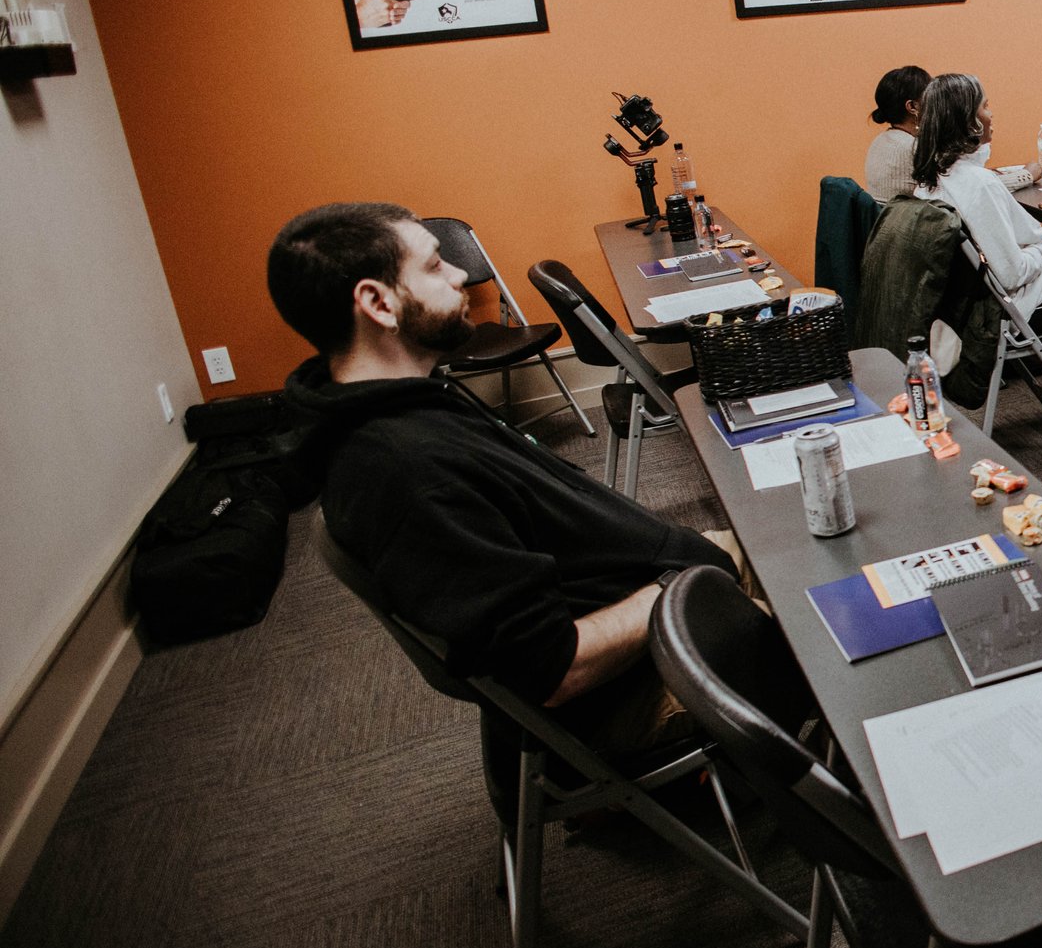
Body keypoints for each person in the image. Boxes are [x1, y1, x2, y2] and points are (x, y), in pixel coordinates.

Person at [271, 204, 774, 755]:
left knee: (789, 534)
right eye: (436, 267)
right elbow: (556, 671)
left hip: (651, 595)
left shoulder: (407, 405)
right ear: (378, 303)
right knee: (845, 602)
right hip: (642, 681)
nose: (460, 275)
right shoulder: (408, 471)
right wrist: (677, 581)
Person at [911, 71, 1042, 332]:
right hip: (1015, 312)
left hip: (967, 311)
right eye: (985, 106)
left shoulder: (931, 179)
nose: (991, 114)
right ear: (969, 120)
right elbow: (1012, 274)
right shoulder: (980, 184)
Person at [862, 64, 930, 201]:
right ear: (912, 107)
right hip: (909, 221)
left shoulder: (879, 141)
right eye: (931, 97)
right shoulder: (915, 149)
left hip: (884, 221)